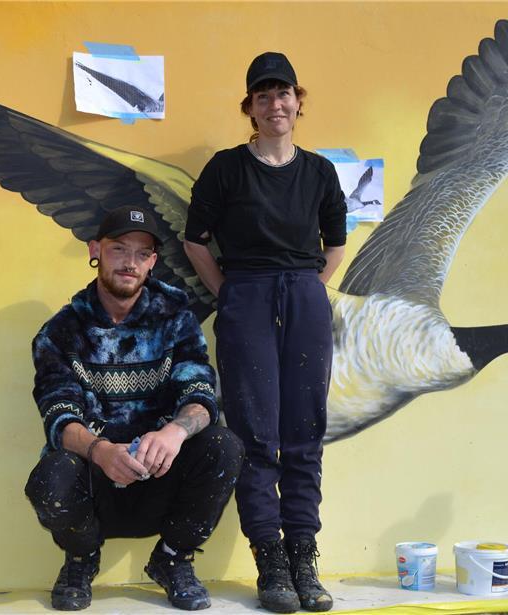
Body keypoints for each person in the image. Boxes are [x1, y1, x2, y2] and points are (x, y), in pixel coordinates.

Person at [183, 52, 347, 613]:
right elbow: (194, 239)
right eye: (262, 96)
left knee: (305, 429)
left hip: (304, 294)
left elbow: (336, 244)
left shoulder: (321, 172)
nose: (274, 104)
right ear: (249, 109)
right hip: (246, 293)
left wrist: (307, 289)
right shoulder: (226, 169)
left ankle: (303, 551)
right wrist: (230, 289)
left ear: (299, 101)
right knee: (254, 433)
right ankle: (269, 560)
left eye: (283, 94)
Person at [25, 206, 244, 612]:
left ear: (153, 262)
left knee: (224, 445)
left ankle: (173, 559)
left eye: (142, 253)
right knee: (50, 479)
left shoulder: (176, 317)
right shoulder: (61, 331)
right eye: (119, 249)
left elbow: (199, 392)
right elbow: (59, 416)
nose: (130, 262)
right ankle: (80, 558)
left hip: (162, 474)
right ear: (95, 250)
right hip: (96, 482)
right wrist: (100, 450)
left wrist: (174, 432)